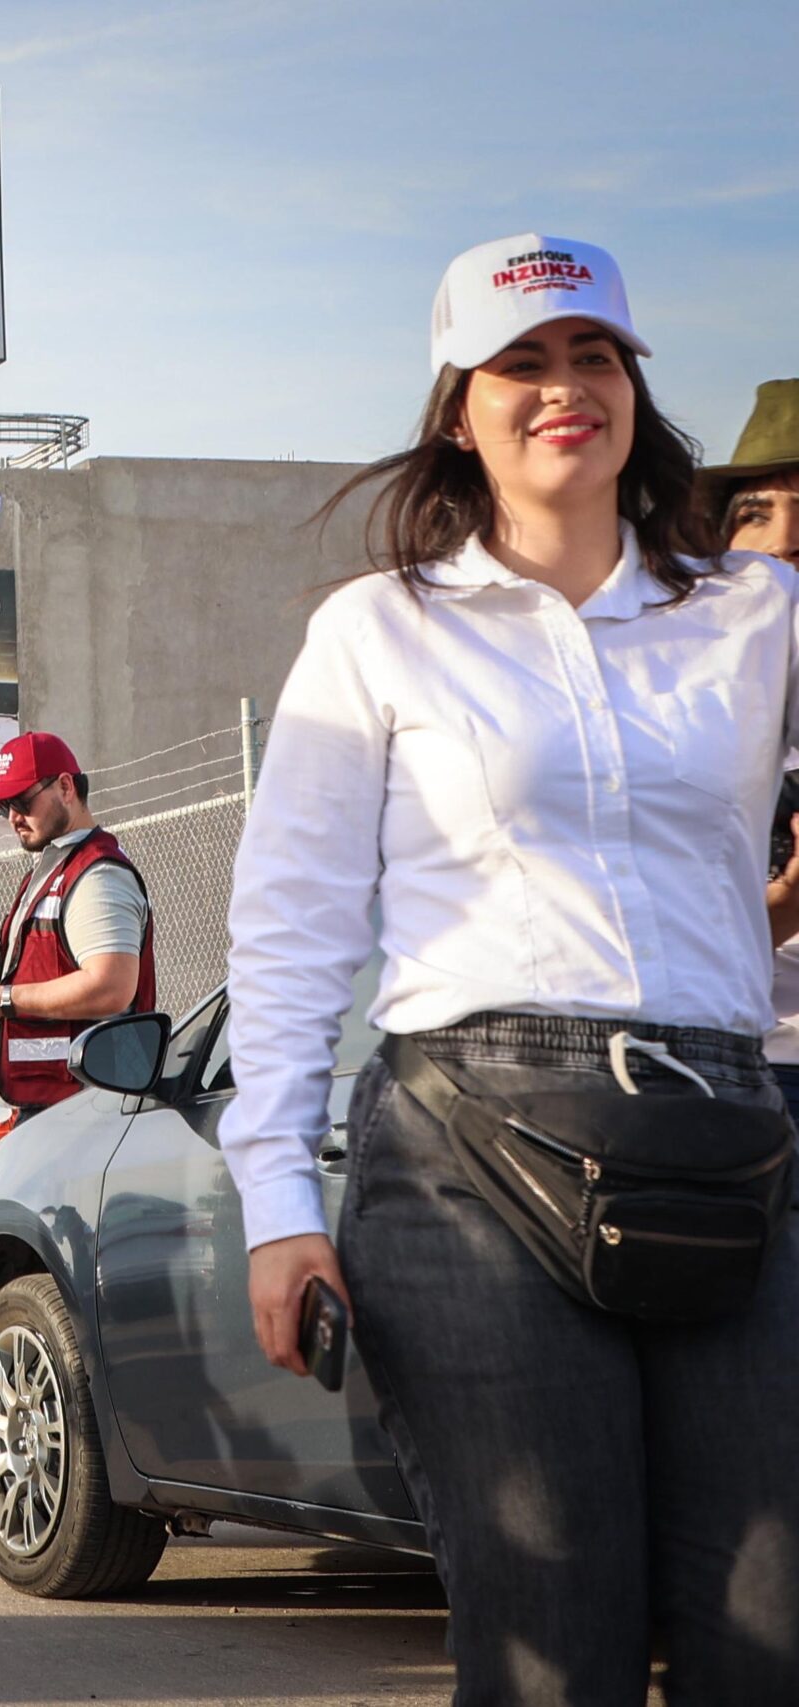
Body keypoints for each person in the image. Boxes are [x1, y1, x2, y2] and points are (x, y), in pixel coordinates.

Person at [225, 233, 799, 1702]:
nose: (563, 389)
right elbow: (291, 925)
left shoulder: (752, 616)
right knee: (557, 1631)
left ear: (634, 388)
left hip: (728, 1133)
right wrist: (279, 1202)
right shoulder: (379, 631)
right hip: (467, 1156)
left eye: (591, 354)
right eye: (520, 364)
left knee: (769, 1627)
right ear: (458, 412)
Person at [0, 731, 156, 1134]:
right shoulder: (54, 868)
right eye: (5, 805)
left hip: (91, 1110)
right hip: (58, 1103)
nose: (13, 817)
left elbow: (111, 987)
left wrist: (0, 1001)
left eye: (23, 801)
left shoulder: (98, 874)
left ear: (65, 786)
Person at [705, 383, 799, 1112]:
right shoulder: (684, 721)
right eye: (756, 511)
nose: (784, 538)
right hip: (748, 1070)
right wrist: (787, 904)